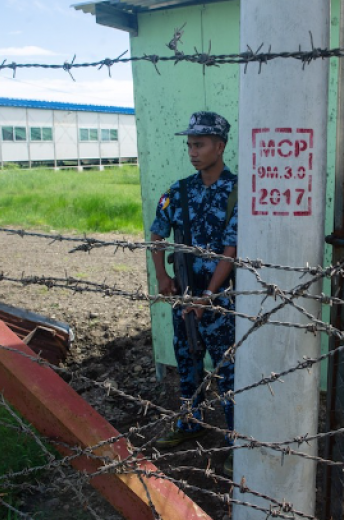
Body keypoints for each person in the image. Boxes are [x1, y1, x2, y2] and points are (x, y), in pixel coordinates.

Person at [149, 111, 237, 477]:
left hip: (223, 302)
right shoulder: (178, 190)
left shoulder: (237, 192)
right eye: (189, 144)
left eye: (199, 144)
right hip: (185, 296)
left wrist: (209, 296)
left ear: (219, 146)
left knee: (229, 370)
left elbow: (231, 251)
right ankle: (190, 422)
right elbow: (157, 233)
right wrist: (163, 277)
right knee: (187, 361)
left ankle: (236, 440)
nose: (192, 151)